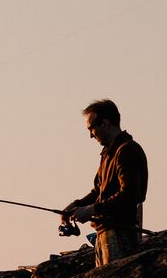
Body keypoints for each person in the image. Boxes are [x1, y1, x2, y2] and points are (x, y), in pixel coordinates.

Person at [61, 99, 148, 267]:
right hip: (105, 233)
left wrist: (93, 209)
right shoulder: (109, 154)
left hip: (121, 232)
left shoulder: (127, 151)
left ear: (105, 123)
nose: (91, 135)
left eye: (91, 129)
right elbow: (99, 191)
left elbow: (130, 195)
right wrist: (76, 205)